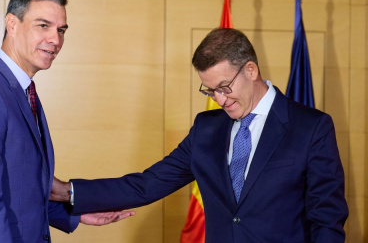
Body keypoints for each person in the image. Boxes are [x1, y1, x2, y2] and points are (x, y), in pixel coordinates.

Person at [51, 28, 349, 242]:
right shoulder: (207, 128)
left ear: (250, 70)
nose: (219, 100)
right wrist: (68, 191)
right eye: (210, 90)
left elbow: (327, 218)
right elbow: (147, 184)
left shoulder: (311, 127)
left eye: (224, 87)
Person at [0, 0, 134, 243]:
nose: (55, 39)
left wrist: (74, 215)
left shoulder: (20, 89)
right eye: (43, 25)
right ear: (12, 24)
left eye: (61, 30)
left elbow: (19, 188)